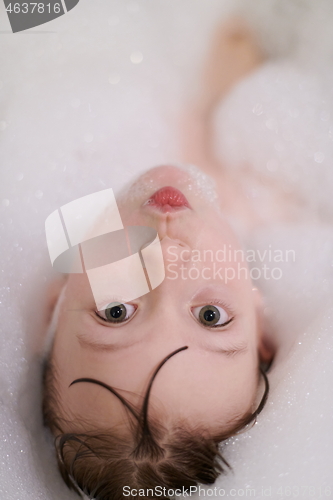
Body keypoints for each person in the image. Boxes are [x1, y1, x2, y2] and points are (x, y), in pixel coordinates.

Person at [42, 18, 278, 500]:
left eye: (117, 311)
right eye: (210, 317)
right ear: (262, 323)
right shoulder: (264, 186)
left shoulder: (39, 143)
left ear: (54, 301)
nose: (167, 257)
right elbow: (238, 37)